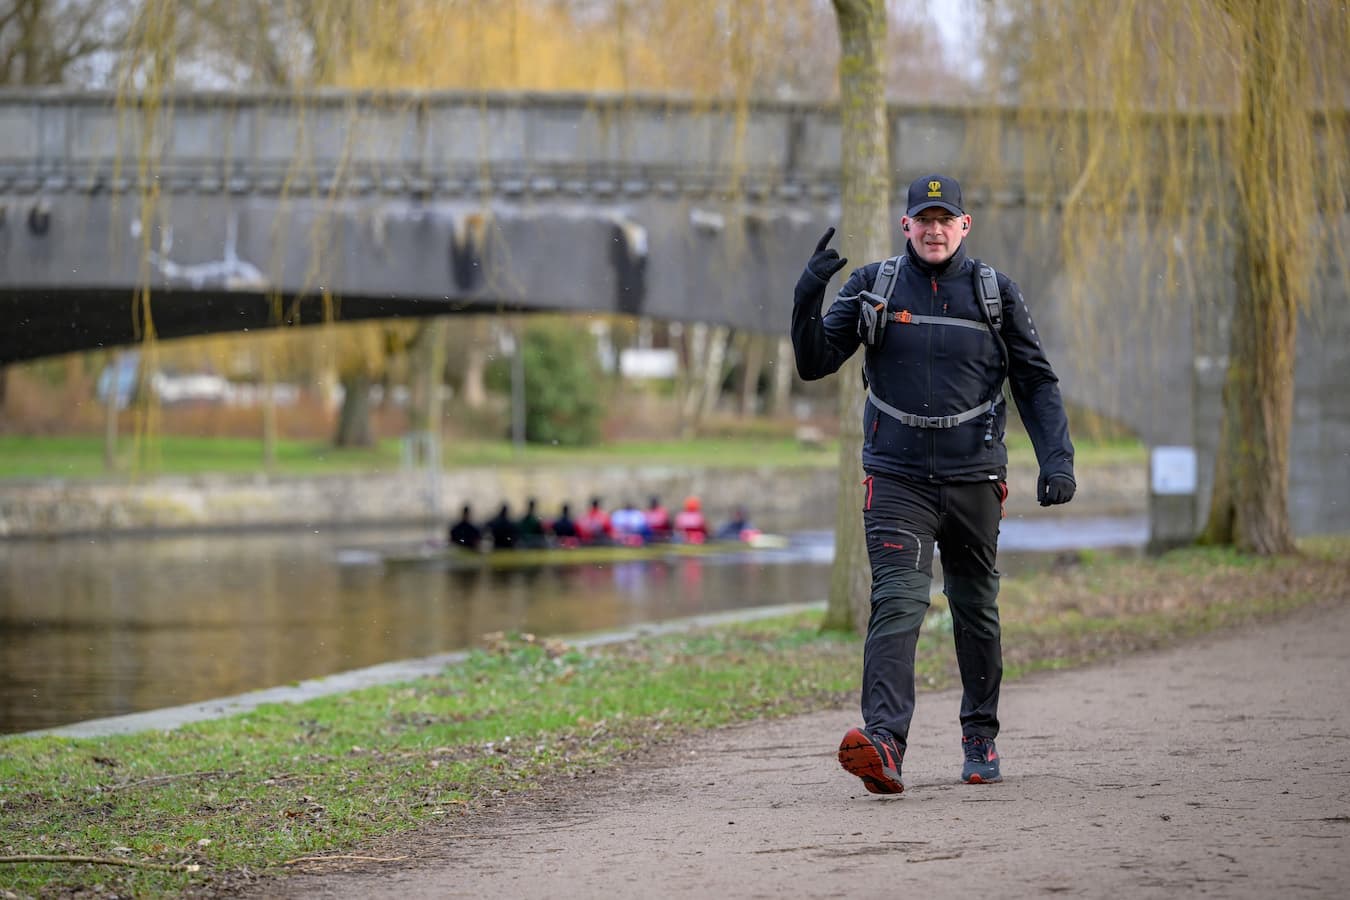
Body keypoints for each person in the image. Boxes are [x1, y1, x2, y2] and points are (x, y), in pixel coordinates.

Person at [791, 173, 1076, 794]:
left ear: (964, 226)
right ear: (907, 225)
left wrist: (1057, 459)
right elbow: (813, 362)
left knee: (975, 608)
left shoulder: (995, 293)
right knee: (898, 599)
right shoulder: (874, 286)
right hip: (896, 480)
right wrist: (808, 295)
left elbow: (1035, 381)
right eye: (925, 219)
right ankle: (885, 743)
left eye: (946, 219)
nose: (935, 229)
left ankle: (980, 735)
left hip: (975, 477)